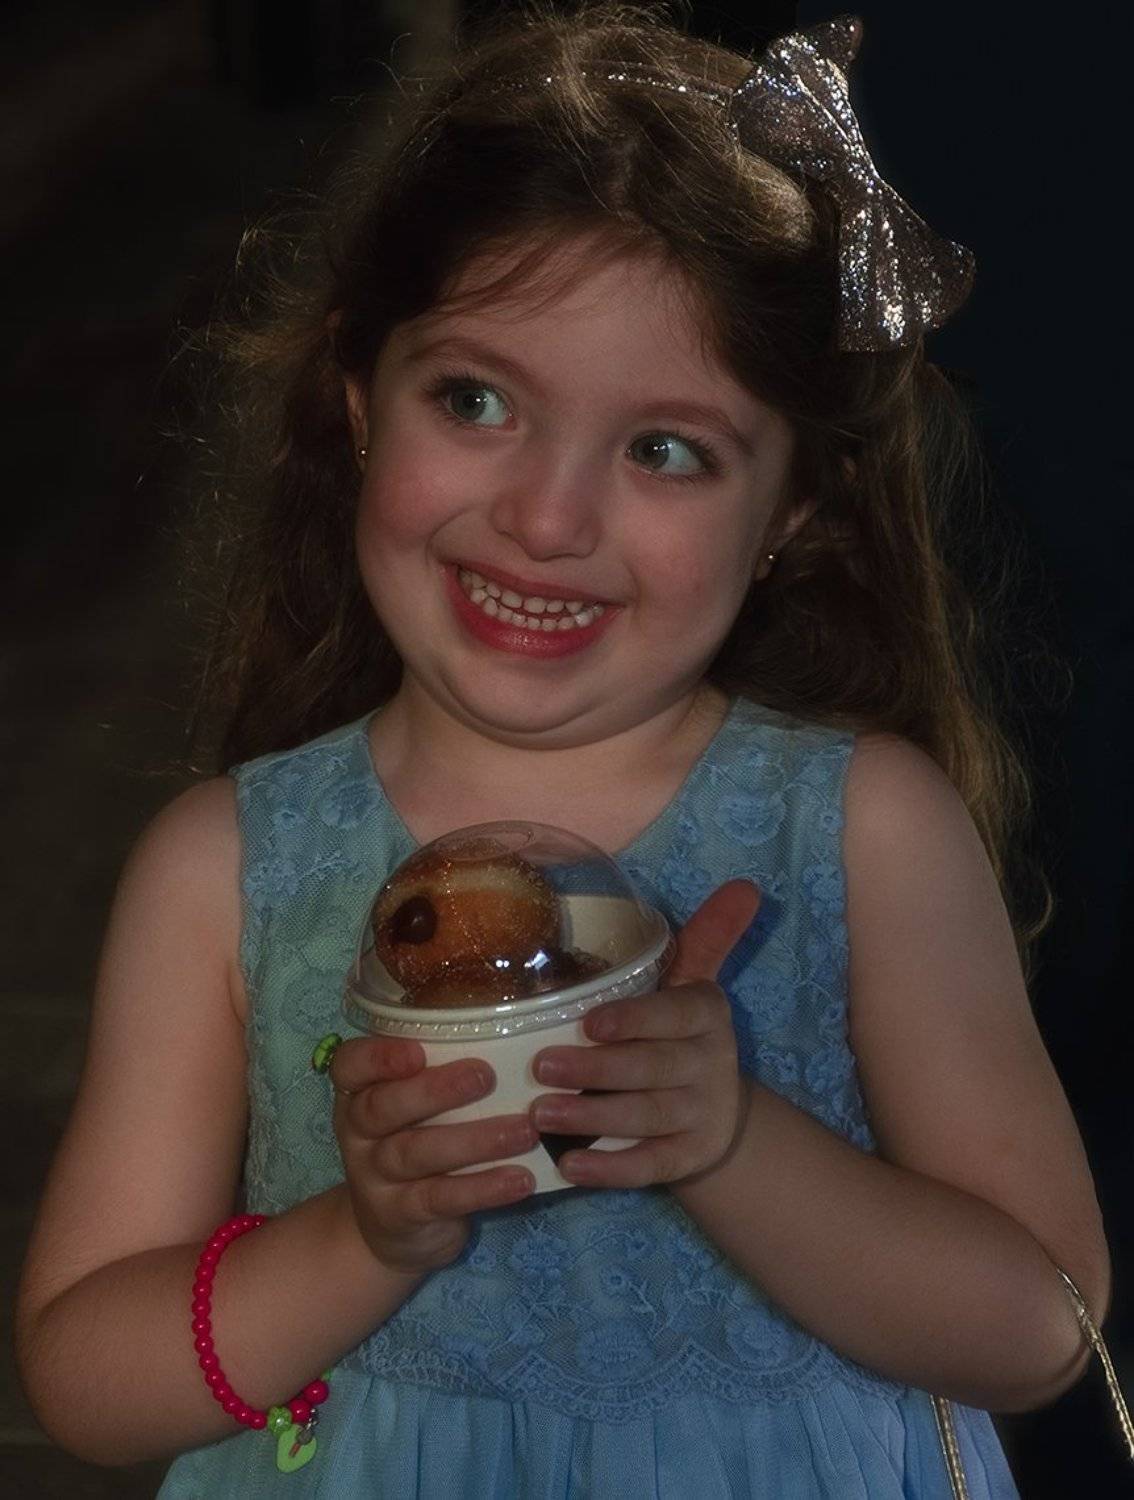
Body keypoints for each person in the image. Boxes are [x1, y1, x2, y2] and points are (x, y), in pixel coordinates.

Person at [14, 6, 1116, 1496]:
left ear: (794, 507)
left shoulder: (864, 829)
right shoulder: (229, 864)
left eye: (665, 450)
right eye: (475, 401)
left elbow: (1040, 1327)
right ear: (358, 397)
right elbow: (88, 1381)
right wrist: (361, 1240)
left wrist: (732, 1143)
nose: (545, 519)